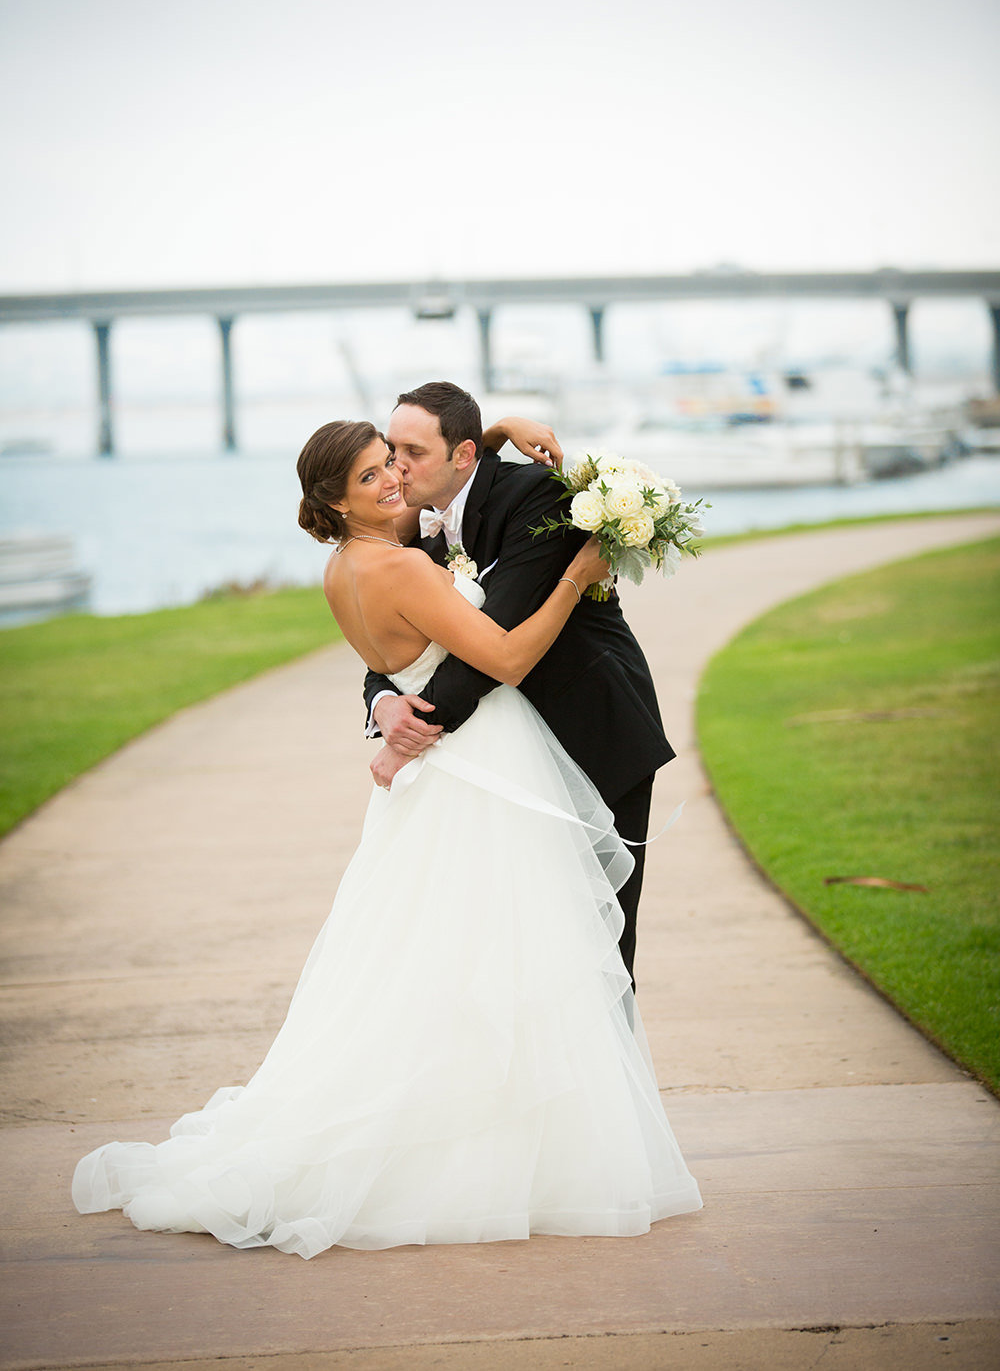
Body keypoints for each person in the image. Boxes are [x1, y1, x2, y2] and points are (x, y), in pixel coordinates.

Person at [71, 419, 702, 1258]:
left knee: (439, 957)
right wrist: (579, 574)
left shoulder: (343, 570)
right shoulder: (403, 563)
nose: (394, 481)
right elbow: (507, 656)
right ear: (335, 500)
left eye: (393, 464)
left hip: (431, 781)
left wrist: (499, 431)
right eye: (373, 476)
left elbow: (396, 656)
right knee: (505, 955)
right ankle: (508, 1152)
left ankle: (504, 1134)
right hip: (479, 773)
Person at [365, 382, 675, 986]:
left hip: (590, 732)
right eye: (390, 448)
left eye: (412, 451)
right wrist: (382, 696)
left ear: (462, 457)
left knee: (599, 941)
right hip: (504, 750)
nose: (396, 466)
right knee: (510, 938)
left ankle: (603, 1079)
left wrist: (409, 733)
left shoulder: (534, 500)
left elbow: (491, 641)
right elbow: (396, 629)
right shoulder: (417, 523)